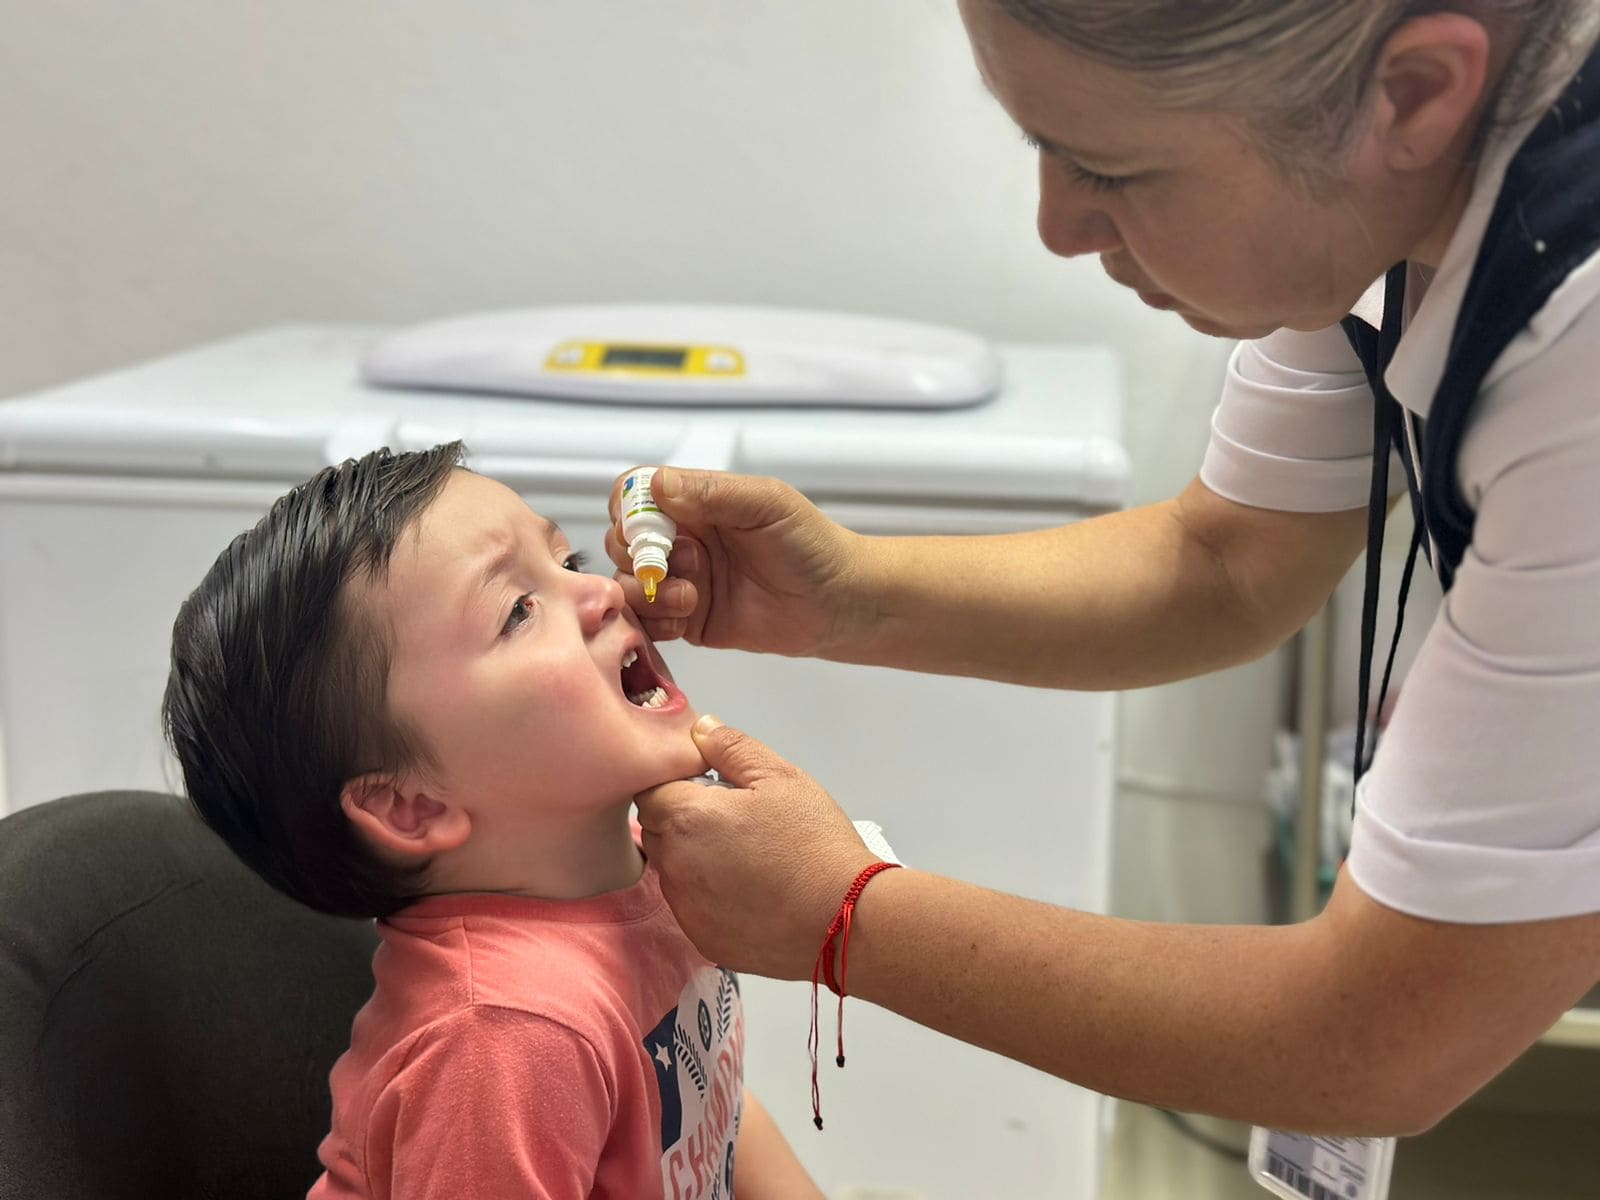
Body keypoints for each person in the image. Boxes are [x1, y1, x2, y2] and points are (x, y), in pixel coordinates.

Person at [603, 0, 1600, 1139]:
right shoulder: (1367, 195)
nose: (1056, 227)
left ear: (1415, 95)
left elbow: (1375, 1037)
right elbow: (1226, 560)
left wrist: (843, 915)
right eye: (1042, 148)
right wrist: (845, 594)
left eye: (1110, 171)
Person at [163, 443, 821, 1200]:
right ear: (413, 806)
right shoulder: (506, 1039)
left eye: (566, 560)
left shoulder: (660, 861)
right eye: (517, 611)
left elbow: (714, 1116)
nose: (603, 594)